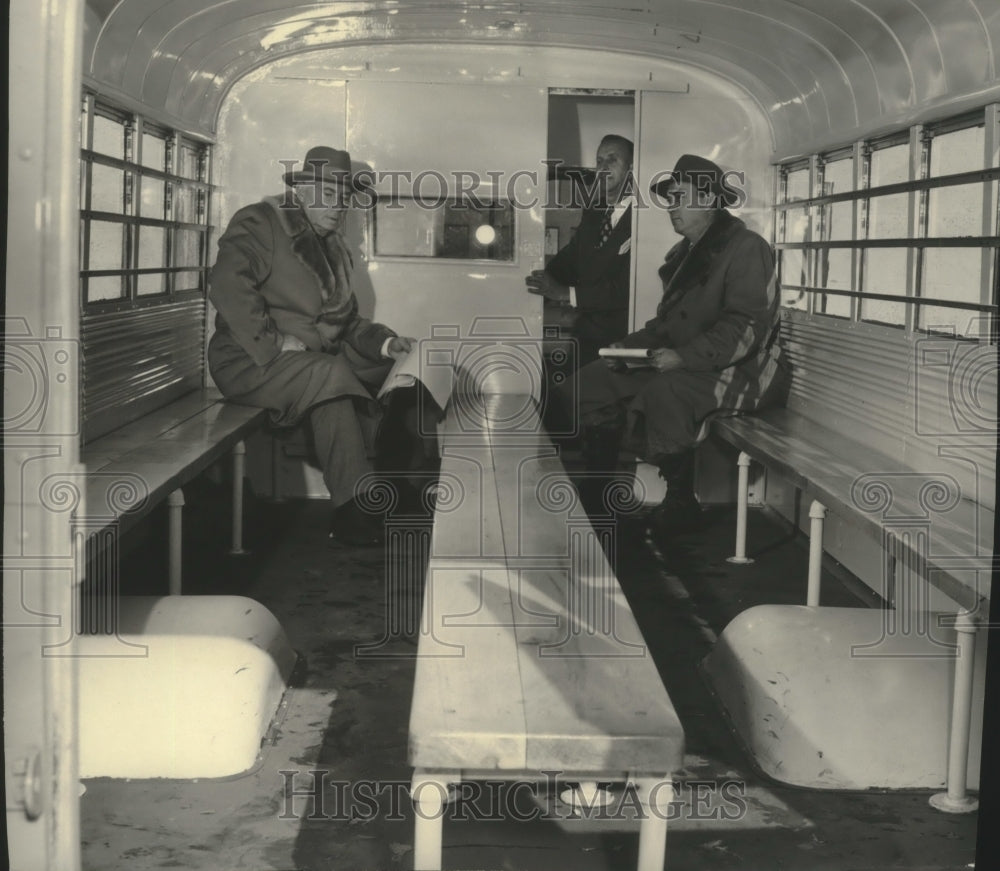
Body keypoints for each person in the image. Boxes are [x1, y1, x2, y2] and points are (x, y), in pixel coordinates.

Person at [563, 153, 787, 531]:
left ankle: (680, 501)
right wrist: (625, 348)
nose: (671, 206)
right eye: (670, 198)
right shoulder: (684, 254)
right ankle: (598, 486)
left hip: (742, 370)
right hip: (687, 361)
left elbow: (746, 326)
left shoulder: (747, 247)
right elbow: (664, 326)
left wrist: (683, 357)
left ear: (710, 201)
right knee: (590, 383)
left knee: (666, 392)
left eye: (680, 196)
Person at [207, 146, 416, 546]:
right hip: (250, 361)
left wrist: (389, 346)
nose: (339, 205)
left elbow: (348, 321)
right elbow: (227, 284)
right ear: (301, 190)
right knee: (330, 374)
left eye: (345, 196)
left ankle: (384, 489)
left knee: (399, 374)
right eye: (327, 192)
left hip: (311, 366)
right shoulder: (261, 222)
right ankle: (357, 505)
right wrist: (273, 340)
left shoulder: (334, 247)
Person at [526, 134, 635, 367]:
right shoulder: (595, 212)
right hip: (584, 339)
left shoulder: (644, 220)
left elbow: (626, 288)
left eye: (612, 160)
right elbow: (570, 259)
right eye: (599, 161)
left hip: (622, 345)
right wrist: (532, 282)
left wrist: (565, 294)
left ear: (632, 169)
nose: (603, 168)